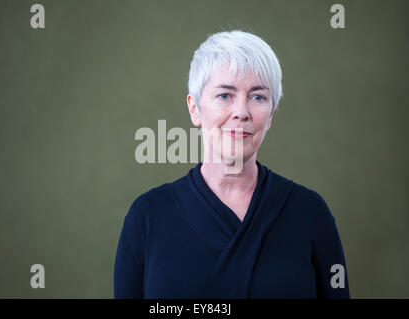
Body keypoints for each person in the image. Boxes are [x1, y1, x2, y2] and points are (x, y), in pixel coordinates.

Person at [113, 30, 350, 298]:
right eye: (225, 95)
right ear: (195, 109)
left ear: (271, 115)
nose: (241, 112)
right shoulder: (147, 217)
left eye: (258, 97)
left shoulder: (310, 214)